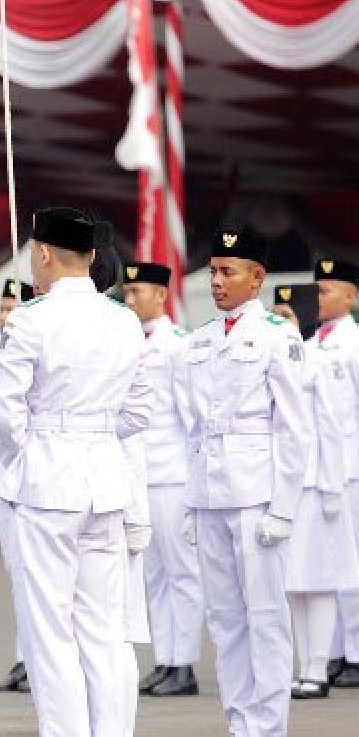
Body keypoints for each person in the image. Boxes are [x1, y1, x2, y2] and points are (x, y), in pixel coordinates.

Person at [0, 207, 153, 736]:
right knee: (106, 632)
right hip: (105, 482)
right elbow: (138, 411)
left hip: (48, 482)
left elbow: (4, 416)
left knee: (49, 630)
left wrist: (29, 457)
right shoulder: (124, 319)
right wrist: (97, 436)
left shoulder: (32, 320)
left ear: (43, 253)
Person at [174, 227, 309, 736]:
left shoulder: (278, 335)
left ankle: (269, 726)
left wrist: (283, 507)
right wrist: (191, 503)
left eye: (228, 271)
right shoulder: (202, 340)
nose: (216, 281)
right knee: (225, 618)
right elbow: (192, 428)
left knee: (266, 616)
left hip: (256, 495)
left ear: (257, 278)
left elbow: (294, 428)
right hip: (210, 494)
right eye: (213, 271)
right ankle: (240, 722)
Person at [121, 261, 204, 698]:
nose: (131, 300)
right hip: (140, 475)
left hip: (172, 473)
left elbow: (192, 415)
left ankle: (184, 663)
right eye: (128, 292)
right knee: (153, 573)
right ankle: (165, 658)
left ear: (160, 295)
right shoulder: (128, 341)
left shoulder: (178, 345)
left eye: (138, 292)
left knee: (181, 571)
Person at [285, 264, 359, 699]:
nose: (317, 297)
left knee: (341, 567)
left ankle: (352, 652)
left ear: (349, 296)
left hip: (345, 466)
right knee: (311, 569)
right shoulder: (309, 344)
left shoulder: (354, 342)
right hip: (310, 472)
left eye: (326, 289)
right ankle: (329, 655)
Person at [0, 277, 35, 694]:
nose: (6, 316)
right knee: (17, 573)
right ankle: (25, 656)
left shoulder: (33, 348)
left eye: (14, 308)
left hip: (33, 477)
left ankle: (31, 658)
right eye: (3, 308)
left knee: (33, 574)